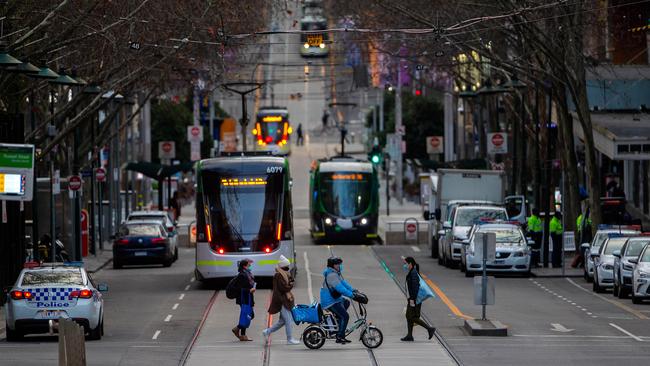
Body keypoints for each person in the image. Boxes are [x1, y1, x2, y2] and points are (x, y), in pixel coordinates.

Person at [262, 255, 300, 345]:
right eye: (287, 265)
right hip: (282, 301)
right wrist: (291, 285)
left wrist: (291, 282)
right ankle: (290, 339)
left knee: (282, 321)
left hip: (284, 300)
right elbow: (284, 288)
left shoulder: (284, 274)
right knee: (288, 321)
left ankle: (266, 332)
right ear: (283, 266)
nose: (288, 267)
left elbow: (288, 283)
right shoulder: (279, 275)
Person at [320, 257, 356, 344]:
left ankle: (338, 321)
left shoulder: (335, 273)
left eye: (340, 264)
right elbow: (340, 289)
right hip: (330, 302)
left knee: (346, 302)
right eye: (338, 264)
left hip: (334, 299)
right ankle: (340, 336)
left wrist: (354, 290)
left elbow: (344, 283)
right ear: (333, 265)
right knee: (345, 316)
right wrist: (352, 295)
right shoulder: (332, 275)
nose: (340, 266)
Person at [401, 257, 435, 342]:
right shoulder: (412, 272)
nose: (404, 265)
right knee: (408, 316)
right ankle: (409, 335)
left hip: (414, 300)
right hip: (411, 299)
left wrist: (413, 299)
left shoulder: (413, 273)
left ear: (410, 264)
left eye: (405, 263)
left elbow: (415, 288)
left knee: (413, 317)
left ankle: (429, 328)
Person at [232, 259, 256, 341]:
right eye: (249, 265)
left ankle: (242, 335)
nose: (250, 266)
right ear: (244, 266)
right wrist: (249, 290)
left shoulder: (247, 274)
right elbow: (239, 288)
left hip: (247, 298)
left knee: (247, 315)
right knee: (249, 315)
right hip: (244, 299)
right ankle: (238, 329)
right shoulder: (242, 275)